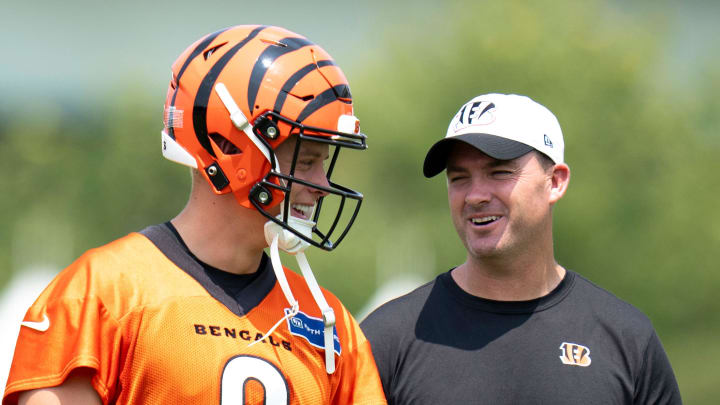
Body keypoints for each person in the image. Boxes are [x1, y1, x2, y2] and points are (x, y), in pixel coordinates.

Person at [4, 25, 387, 405]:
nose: (321, 185)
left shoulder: (330, 323)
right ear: (227, 146)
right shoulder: (102, 294)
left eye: (322, 163)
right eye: (305, 162)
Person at [361, 93, 682, 404]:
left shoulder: (625, 339)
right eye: (459, 178)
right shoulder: (388, 339)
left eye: (499, 173)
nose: (475, 196)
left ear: (555, 181)